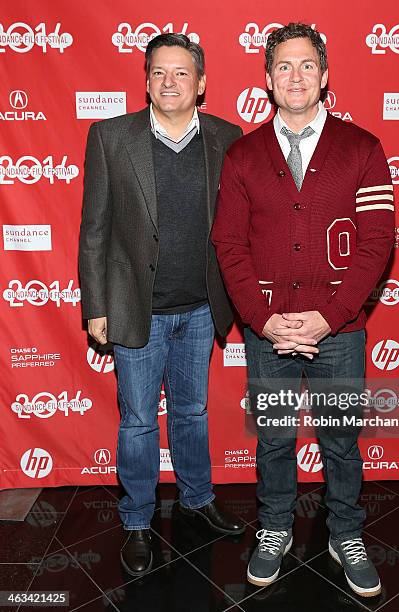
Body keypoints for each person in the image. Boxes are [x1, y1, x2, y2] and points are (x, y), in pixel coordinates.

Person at [211, 23, 395, 597]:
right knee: (273, 439)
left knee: (340, 438)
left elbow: (377, 242)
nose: (296, 76)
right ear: (267, 78)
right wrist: (263, 322)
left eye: (307, 65)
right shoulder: (242, 155)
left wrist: (330, 314)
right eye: (284, 66)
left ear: (325, 75)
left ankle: (345, 532)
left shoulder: (362, 148)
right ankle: (273, 528)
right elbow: (229, 243)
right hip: (268, 332)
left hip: (338, 330)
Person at [79, 33, 245, 577]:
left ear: (201, 83)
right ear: (146, 79)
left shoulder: (227, 136)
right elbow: (95, 229)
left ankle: (197, 500)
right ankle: (136, 520)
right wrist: (96, 304)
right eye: (158, 73)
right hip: (136, 309)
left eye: (180, 73)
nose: (169, 82)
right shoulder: (110, 137)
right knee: (138, 422)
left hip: (200, 306)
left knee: (193, 412)